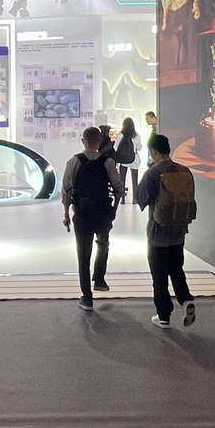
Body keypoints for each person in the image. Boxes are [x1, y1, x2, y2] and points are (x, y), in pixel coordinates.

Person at [136, 134, 198, 328]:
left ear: (154, 151)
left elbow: (141, 199)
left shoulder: (153, 173)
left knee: (159, 275)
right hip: (179, 231)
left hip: (158, 232)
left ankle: (163, 315)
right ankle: (185, 299)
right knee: (176, 269)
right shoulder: (184, 170)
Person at [61, 126, 124, 312]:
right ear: (99, 141)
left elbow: (66, 191)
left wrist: (66, 214)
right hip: (103, 213)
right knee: (103, 243)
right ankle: (100, 278)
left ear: (83, 141)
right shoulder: (108, 162)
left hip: (82, 214)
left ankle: (87, 298)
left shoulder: (73, 161)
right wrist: (113, 209)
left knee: (83, 253)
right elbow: (118, 188)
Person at [114, 116, 141, 203]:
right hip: (134, 160)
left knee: (122, 180)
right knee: (135, 180)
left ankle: (122, 199)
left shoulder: (120, 135)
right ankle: (134, 200)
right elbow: (139, 148)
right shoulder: (136, 135)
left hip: (123, 160)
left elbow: (115, 147)